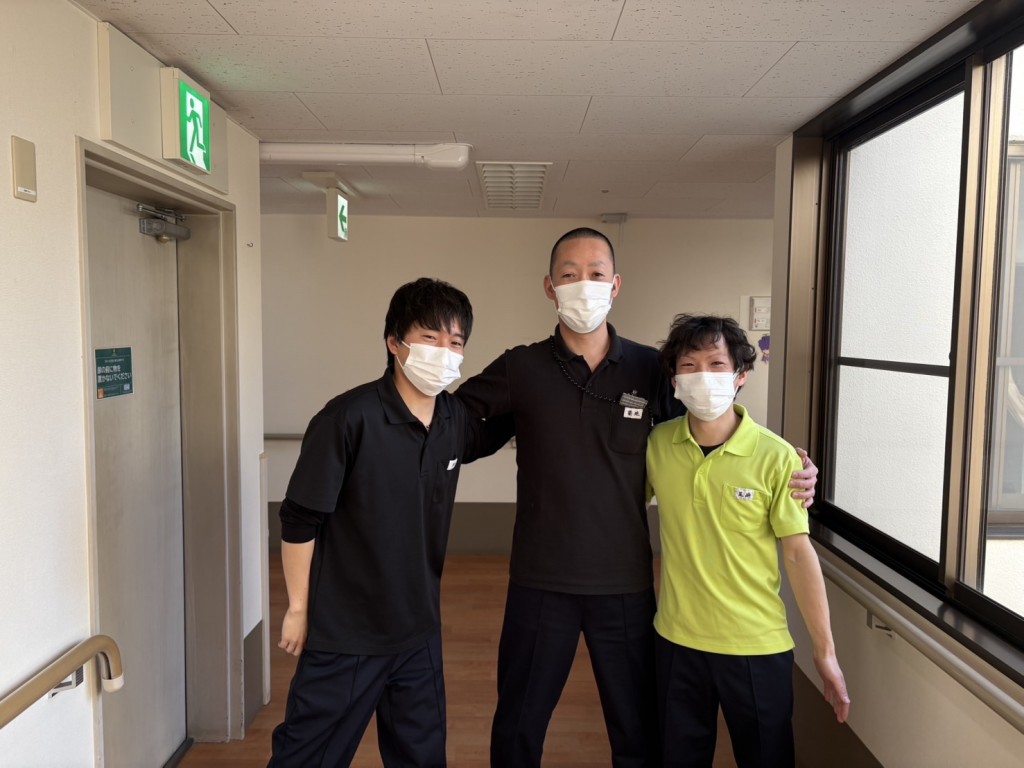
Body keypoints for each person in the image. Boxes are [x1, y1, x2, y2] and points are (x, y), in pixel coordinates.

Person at [454, 228, 819, 767]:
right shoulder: (522, 368)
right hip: (540, 580)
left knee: (637, 730)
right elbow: (458, 428)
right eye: (569, 274)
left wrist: (789, 463)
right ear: (550, 287)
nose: (583, 285)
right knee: (519, 725)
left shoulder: (651, 369)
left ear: (616, 285)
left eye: (596, 274)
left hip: (624, 584)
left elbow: (708, 428)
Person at [268, 278, 511, 768]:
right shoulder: (347, 419)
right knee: (305, 759)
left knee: (422, 758)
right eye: (430, 337)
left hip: (418, 634)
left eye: (455, 342)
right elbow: (299, 518)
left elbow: (513, 414)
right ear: (395, 343)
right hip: (345, 636)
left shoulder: (453, 420)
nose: (444, 352)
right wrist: (298, 607)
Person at [645, 314, 850, 767]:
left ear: (741, 375)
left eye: (716, 364)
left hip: (756, 646)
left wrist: (825, 653)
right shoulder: (657, 444)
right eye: (689, 365)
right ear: (674, 380)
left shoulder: (778, 457)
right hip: (677, 641)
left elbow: (797, 554)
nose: (702, 376)